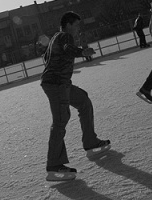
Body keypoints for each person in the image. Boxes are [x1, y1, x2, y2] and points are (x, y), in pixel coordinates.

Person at [41, 11, 110, 181]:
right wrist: (82, 51)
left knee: (83, 101)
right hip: (56, 85)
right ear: (69, 24)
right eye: (77, 25)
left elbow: (46, 57)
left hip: (62, 83)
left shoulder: (55, 38)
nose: (78, 29)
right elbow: (67, 49)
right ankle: (54, 165)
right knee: (61, 120)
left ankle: (90, 142)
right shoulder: (65, 36)